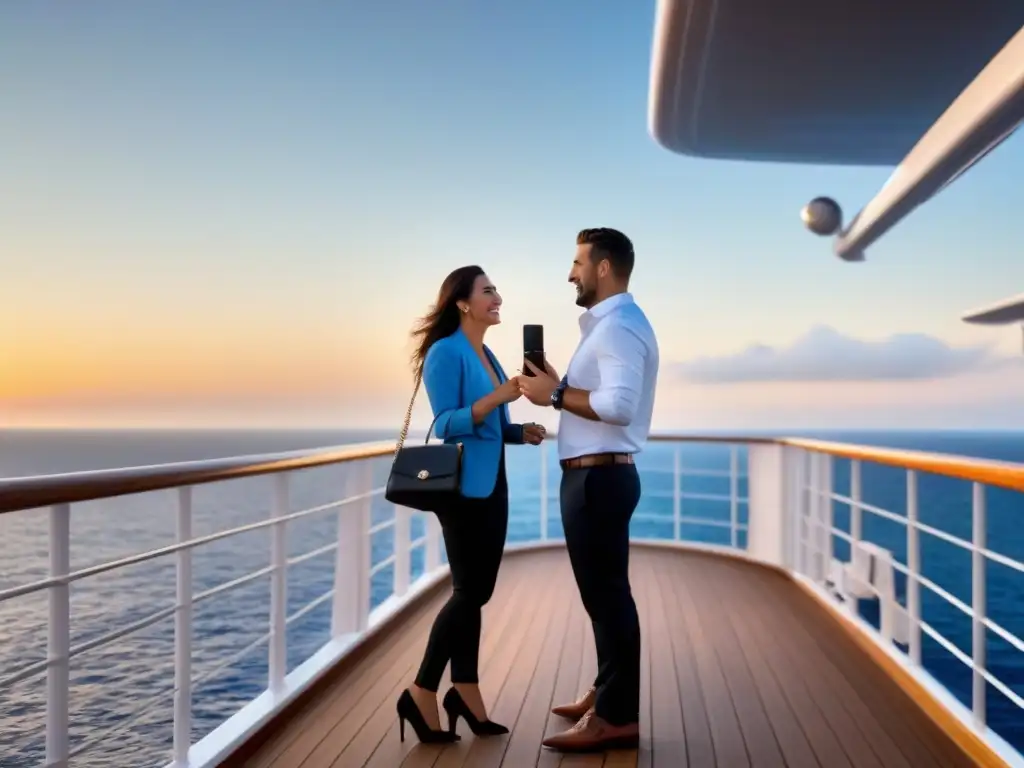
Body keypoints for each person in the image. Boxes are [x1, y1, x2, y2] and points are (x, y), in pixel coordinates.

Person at [518, 228, 659, 753]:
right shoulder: (610, 326)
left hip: (598, 479)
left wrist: (553, 392)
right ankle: (607, 693)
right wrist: (556, 385)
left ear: (603, 268)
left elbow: (619, 406)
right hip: (594, 477)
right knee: (604, 597)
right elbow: (599, 395)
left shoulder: (618, 326)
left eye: (578, 262)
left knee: (608, 598)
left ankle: (616, 718)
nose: (571, 273)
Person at [396, 265, 547, 744]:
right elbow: (445, 424)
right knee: (468, 592)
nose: (497, 297)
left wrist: (518, 432)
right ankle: (422, 691)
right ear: (462, 302)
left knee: (476, 593)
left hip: (491, 482)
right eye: (487, 291)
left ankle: (464, 690)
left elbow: (486, 427)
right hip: (461, 489)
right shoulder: (446, 352)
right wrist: (497, 399)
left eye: (496, 289)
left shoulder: (488, 354)